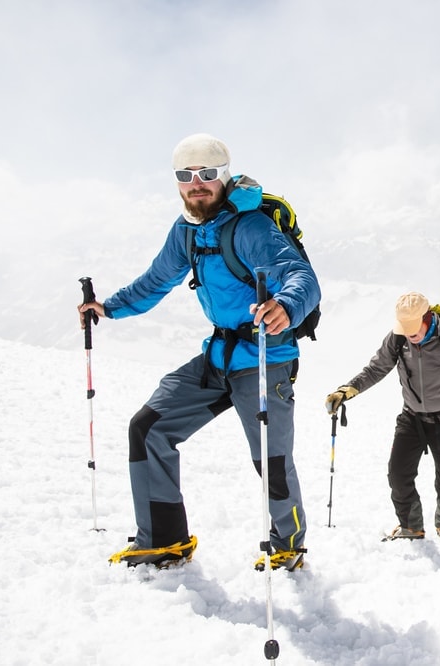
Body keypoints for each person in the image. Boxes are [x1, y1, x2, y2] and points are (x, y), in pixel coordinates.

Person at [79, 133, 322, 571]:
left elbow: (301, 277)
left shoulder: (251, 227)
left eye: (207, 174)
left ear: (224, 177)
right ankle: (165, 539)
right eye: (186, 176)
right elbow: (155, 281)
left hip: (265, 358)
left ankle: (288, 544)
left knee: (272, 459)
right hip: (220, 356)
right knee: (149, 428)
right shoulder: (186, 231)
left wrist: (285, 306)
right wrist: (108, 308)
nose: (197, 183)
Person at [324, 292, 440, 542]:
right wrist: (348, 389)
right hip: (412, 417)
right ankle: (411, 526)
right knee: (398, 473)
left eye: (413, 328)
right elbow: (375, 369)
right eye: (405, 329)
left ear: (427, 318)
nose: (409, 334)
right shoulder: (397, 338)